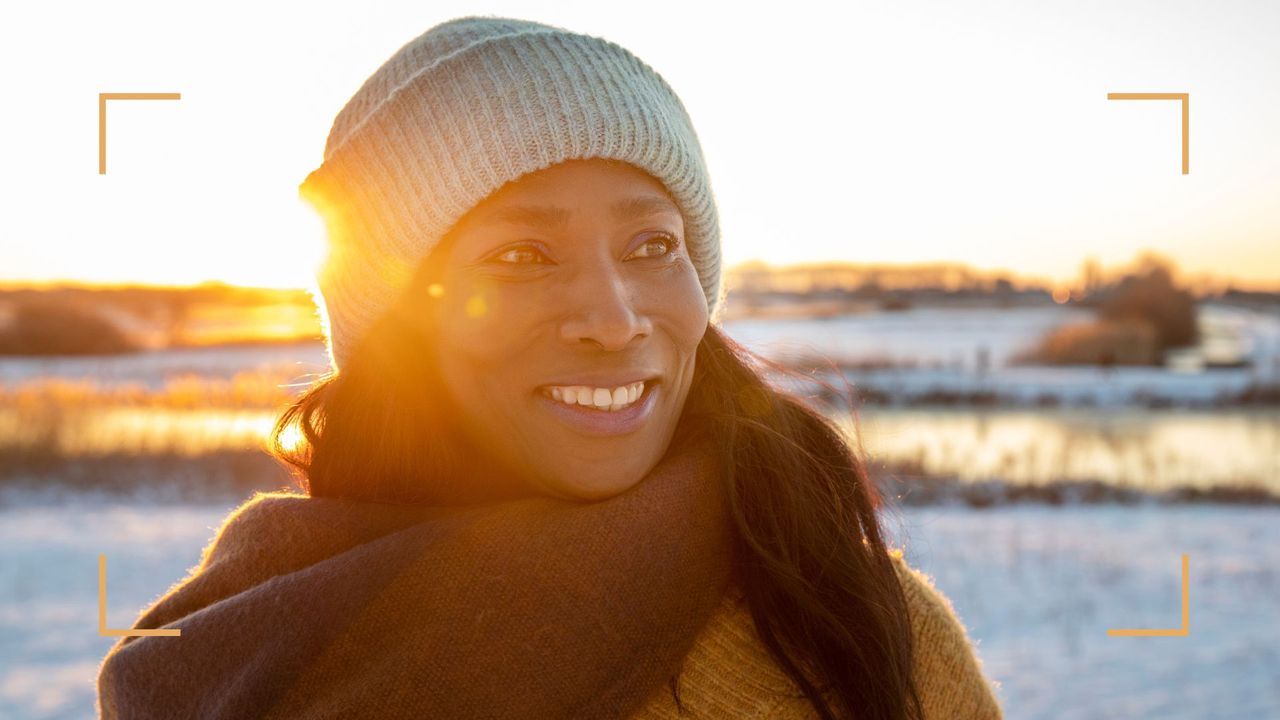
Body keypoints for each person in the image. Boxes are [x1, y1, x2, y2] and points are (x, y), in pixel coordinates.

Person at [95, 16, 1004, 720]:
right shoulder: (227, 654)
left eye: (654, 243)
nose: (613, 320)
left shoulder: (844, 624)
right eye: (523, 256)